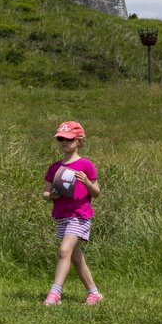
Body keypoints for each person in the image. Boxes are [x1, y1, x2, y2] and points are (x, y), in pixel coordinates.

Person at [42, 121, 103, 306]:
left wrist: (86, 182)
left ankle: (55, 293)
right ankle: (94, 293)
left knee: (64, 250)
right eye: (60, 138)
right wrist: (51, 195)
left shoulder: (86, 165)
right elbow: (45, 193)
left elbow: (96, 192)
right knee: (75, 257)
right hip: (62, 216)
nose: (63, 142)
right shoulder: (55, 167)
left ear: (79, 141)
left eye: (68, 139)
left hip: (80, 214)